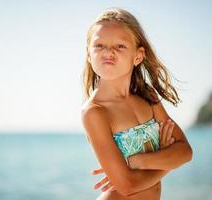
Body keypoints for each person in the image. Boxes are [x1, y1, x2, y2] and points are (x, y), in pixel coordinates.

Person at [81, 8, 193, 200]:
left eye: (120, 46)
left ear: (138, 56)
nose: (108, 51)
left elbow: (185, 151)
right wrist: (165, 160)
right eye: (99, 45)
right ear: (89, 54)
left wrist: (138, 161)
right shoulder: (95, 112)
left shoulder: (147, 96)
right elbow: (127, 185)